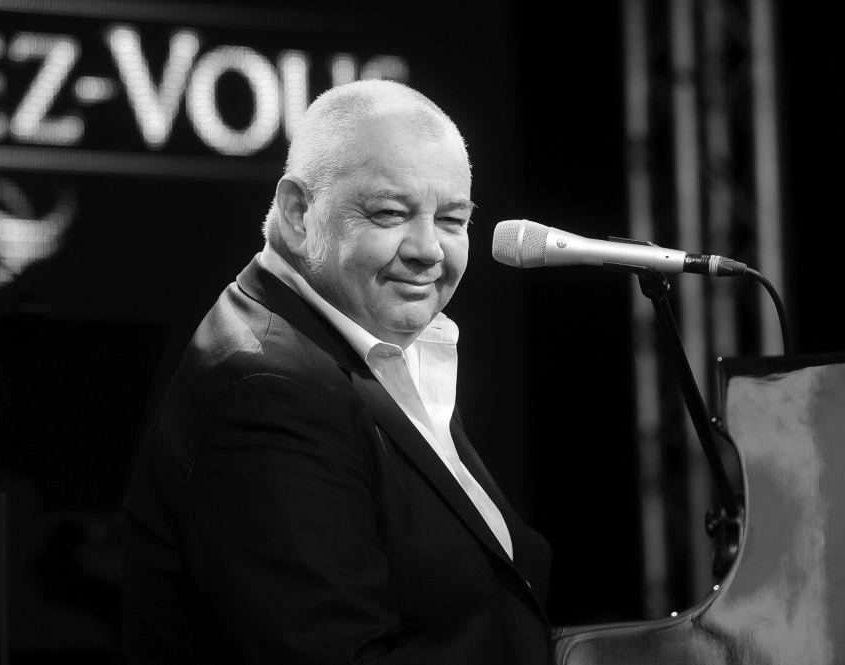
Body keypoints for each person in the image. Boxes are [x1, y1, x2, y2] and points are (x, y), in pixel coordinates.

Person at [121, 80, 552, 664]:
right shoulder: (266, 390)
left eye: (453, 220)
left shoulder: (369, 347)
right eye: (390, 213)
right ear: (299, 213)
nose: (429, 249)